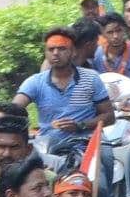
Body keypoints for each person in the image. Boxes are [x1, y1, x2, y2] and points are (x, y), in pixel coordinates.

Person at [15, 26, 115, 160]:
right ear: (45, 53)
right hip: (48, 145)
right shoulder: (35, 82)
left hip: (87, 143)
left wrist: (80, 125)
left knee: (105, 158)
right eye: (51, 49)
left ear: (73, 51)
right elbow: (14, 108)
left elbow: (109, 116)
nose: (55, 53)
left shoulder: (91, 78)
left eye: (62, 48)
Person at [93, 12, 130, 80]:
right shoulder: (96, 54)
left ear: (124, 30)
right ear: (103, 34)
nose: (115, 36)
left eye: (119, 31)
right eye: (110, 32)